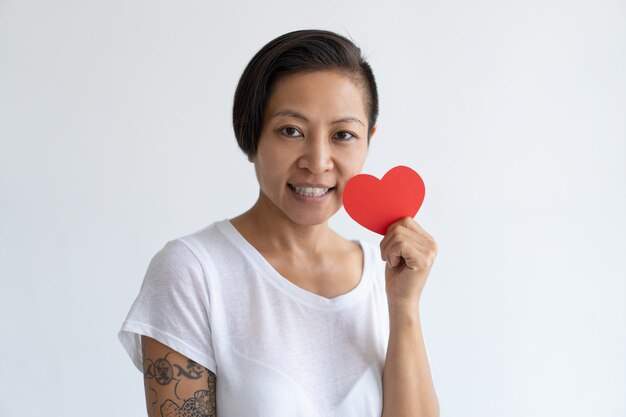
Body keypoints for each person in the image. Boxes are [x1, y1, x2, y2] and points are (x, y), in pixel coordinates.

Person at [119, 29, 439, 417]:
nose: (318, 161)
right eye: (291, 131)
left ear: (368, 141)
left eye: (343, 135)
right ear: (251, 135)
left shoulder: (384, 276)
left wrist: (404, 305)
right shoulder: (193, 272)